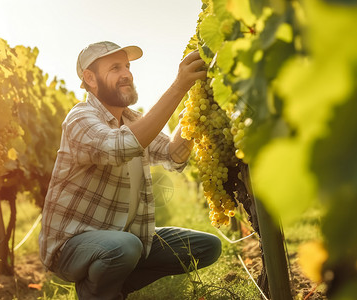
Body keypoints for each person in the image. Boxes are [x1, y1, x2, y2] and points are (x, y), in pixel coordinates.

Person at [38, 41, 222, 299]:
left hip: (123, 238)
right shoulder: (80, 118)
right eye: (115, 67)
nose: (126, 73)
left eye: (127, 66)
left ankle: (111, 287)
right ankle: (98, 293)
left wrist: (193, 108)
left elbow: (172, 154)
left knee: (206, 247)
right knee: (125, 247)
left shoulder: (133, 120)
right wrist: (179, 86)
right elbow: (121, 146)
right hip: (72, 245)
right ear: (90, 78)